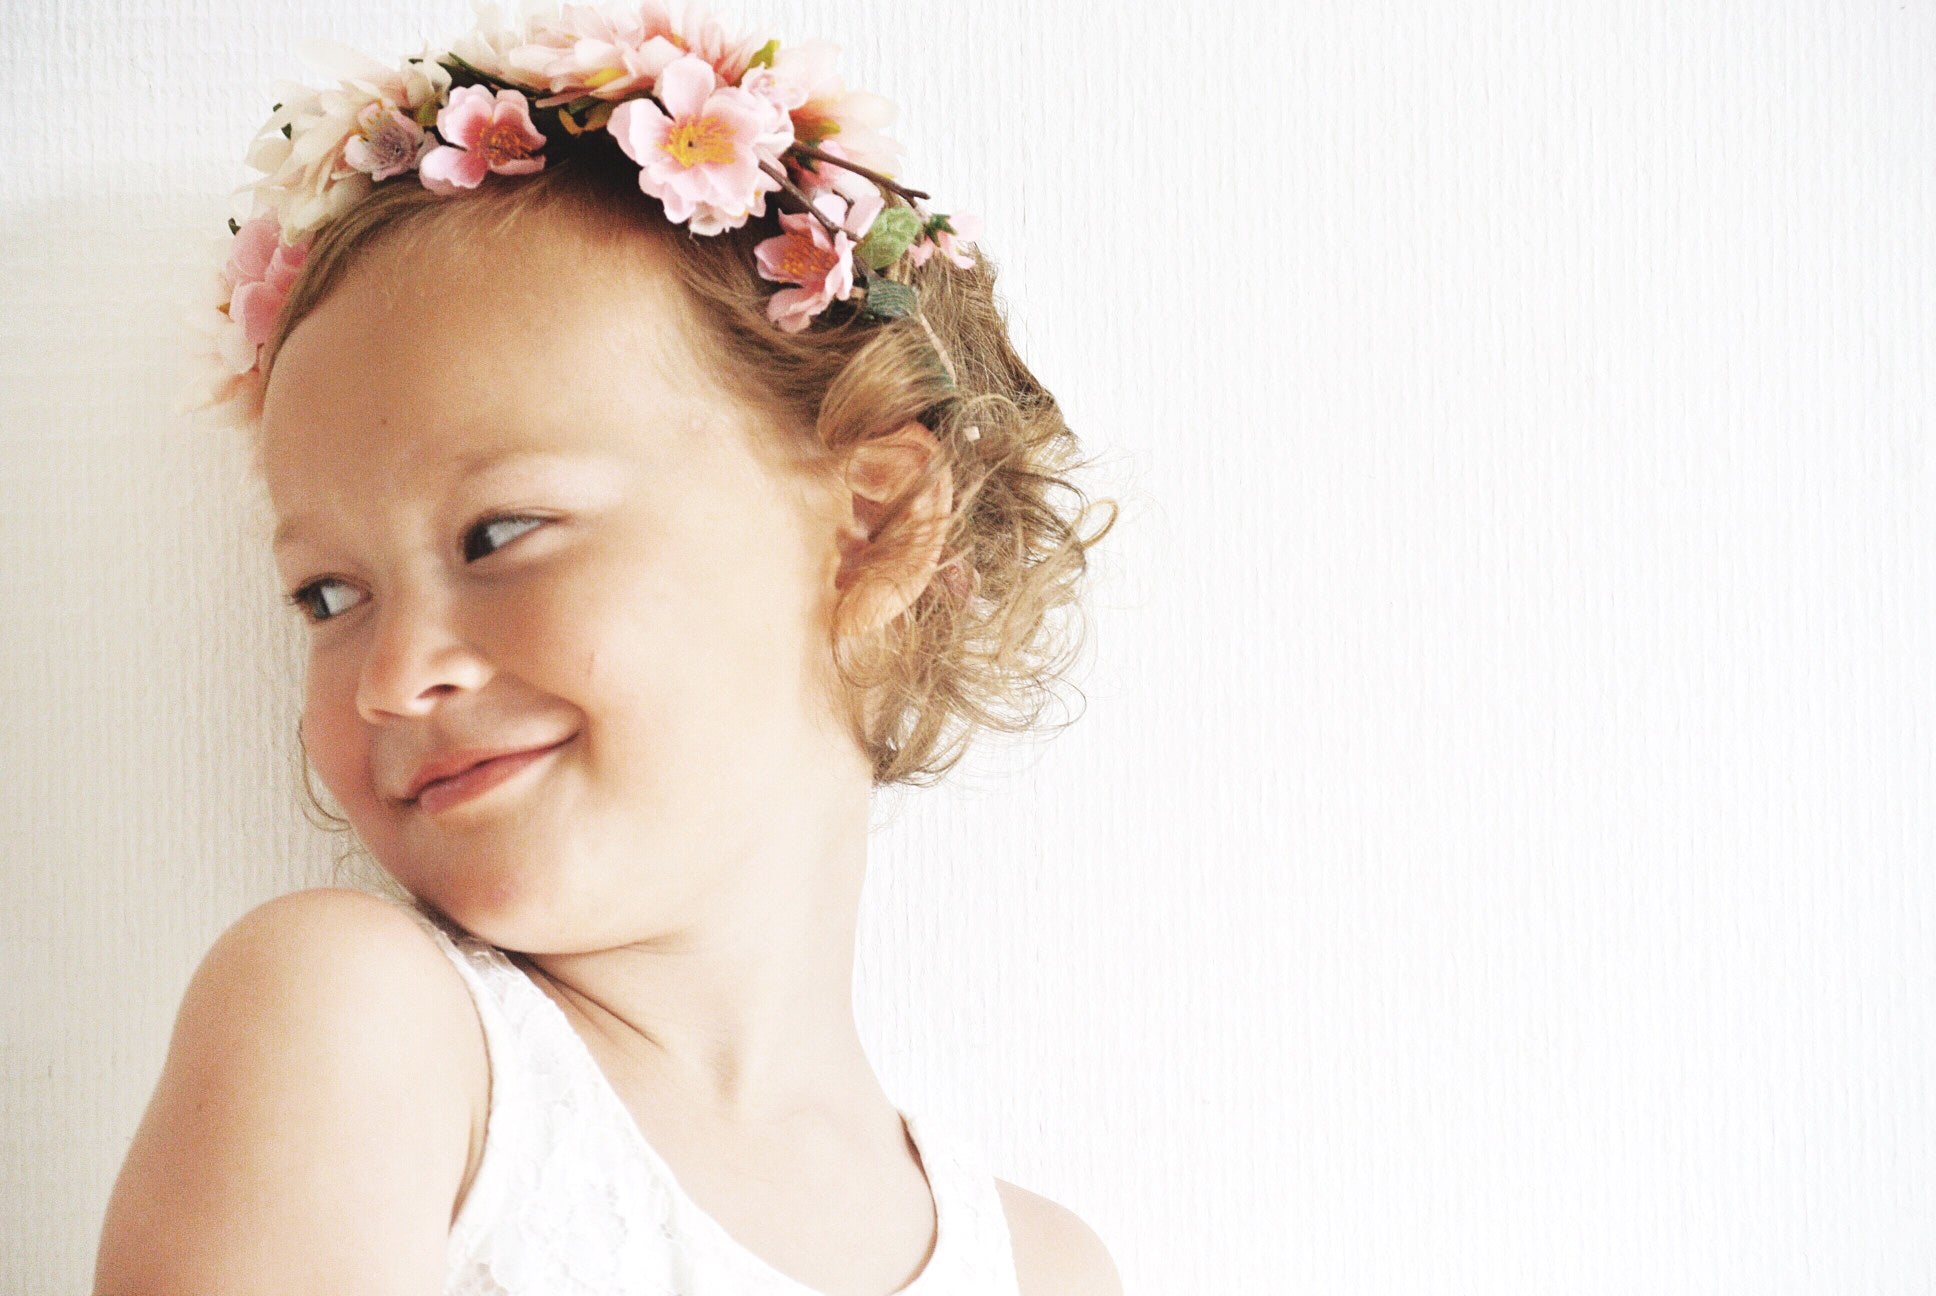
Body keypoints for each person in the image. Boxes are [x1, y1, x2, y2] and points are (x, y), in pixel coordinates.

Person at [92, 4, 1121, 1294]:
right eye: (325, 596)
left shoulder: (1042, 1267)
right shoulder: (370, 1036)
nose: (395, 676)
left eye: (502, 531)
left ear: (865, 527)